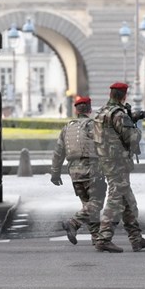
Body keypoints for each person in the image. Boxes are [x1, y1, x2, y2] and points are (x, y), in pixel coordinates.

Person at [92, 82, 145, 253]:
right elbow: (131, 138)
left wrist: (138, 115)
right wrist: (136, 129)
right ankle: (104, 238)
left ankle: (136, 238)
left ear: (111, 94)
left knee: (128, 202)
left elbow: (112, 128)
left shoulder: (102, 111)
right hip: (118, 162)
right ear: (124, 95)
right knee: (115, 199)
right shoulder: (118, 114)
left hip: (106, 160)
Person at [50, 95, 106, 246]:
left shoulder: (67, 128)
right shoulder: (93, 125)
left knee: (87, 205)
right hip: (91, 170)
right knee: (96, 203)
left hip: (74, 173)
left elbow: (58, 152)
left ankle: (97, 238)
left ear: (76, 111)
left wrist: (55, 173)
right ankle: (73, 223)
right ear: (89, 109)